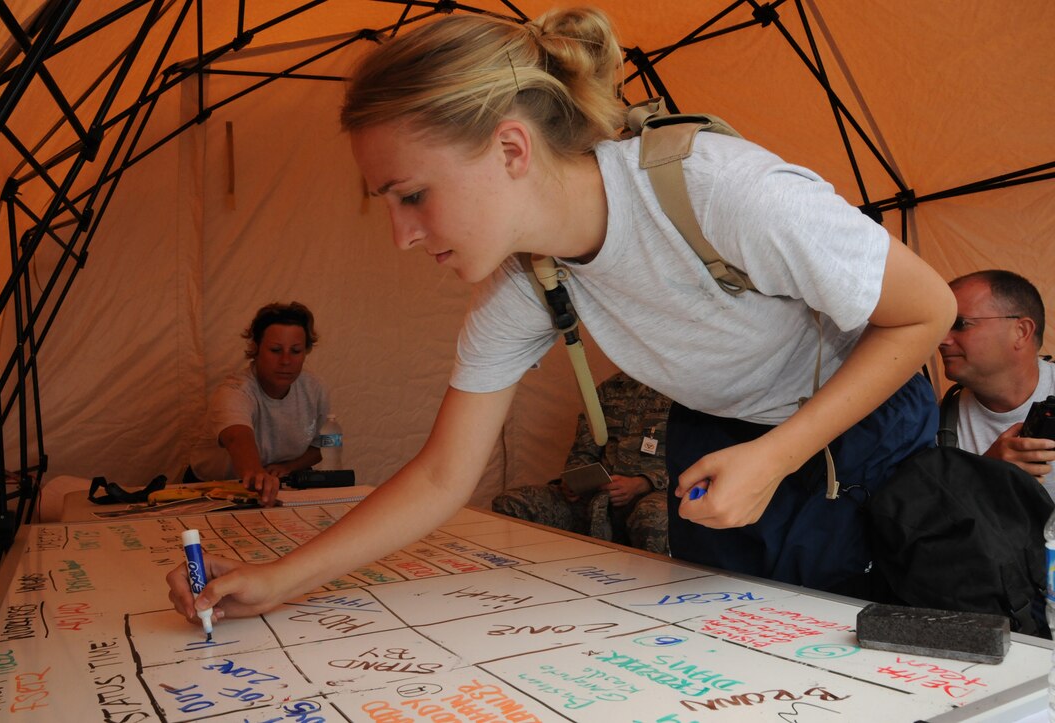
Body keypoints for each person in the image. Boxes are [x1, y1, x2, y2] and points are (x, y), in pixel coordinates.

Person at [167, 7, 955, 623]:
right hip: (722, 434)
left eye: (413, 195)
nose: (404, 235)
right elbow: (444, 473)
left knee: (852, 643)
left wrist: (780, 453)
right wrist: (278, 579)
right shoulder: (523, 286)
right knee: (736, 643)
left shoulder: (719, 189)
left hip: (858, 424)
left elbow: (927, 311)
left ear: (512, 150)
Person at [491, 371, 671, 553]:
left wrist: (643, 483)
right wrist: (574, 480)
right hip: (596, 497)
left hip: (656, 496)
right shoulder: (611, 388)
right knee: (513, 503)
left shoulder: (684, 392)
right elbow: (583, 450)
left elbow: (694, 461)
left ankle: (656, 580)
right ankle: (528, 575)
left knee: (653, 517)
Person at [187, 301, 330, 506]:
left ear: (306, 352)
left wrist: (289, 466)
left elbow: (323, 446)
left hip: (278, 486)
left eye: (296, 351)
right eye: (275, 350)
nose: (286, 361)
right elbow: (237, 437)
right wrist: (256, 473)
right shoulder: (234, 391)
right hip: (211, 489)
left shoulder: (315, 389)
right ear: (256, 348)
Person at [938, 270, 1055, 499]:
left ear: (1021, 332)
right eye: (942, 325)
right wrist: (985, 473)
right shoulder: (938, 422)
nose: (942, 340)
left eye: (960, 324)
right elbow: (930, 517)